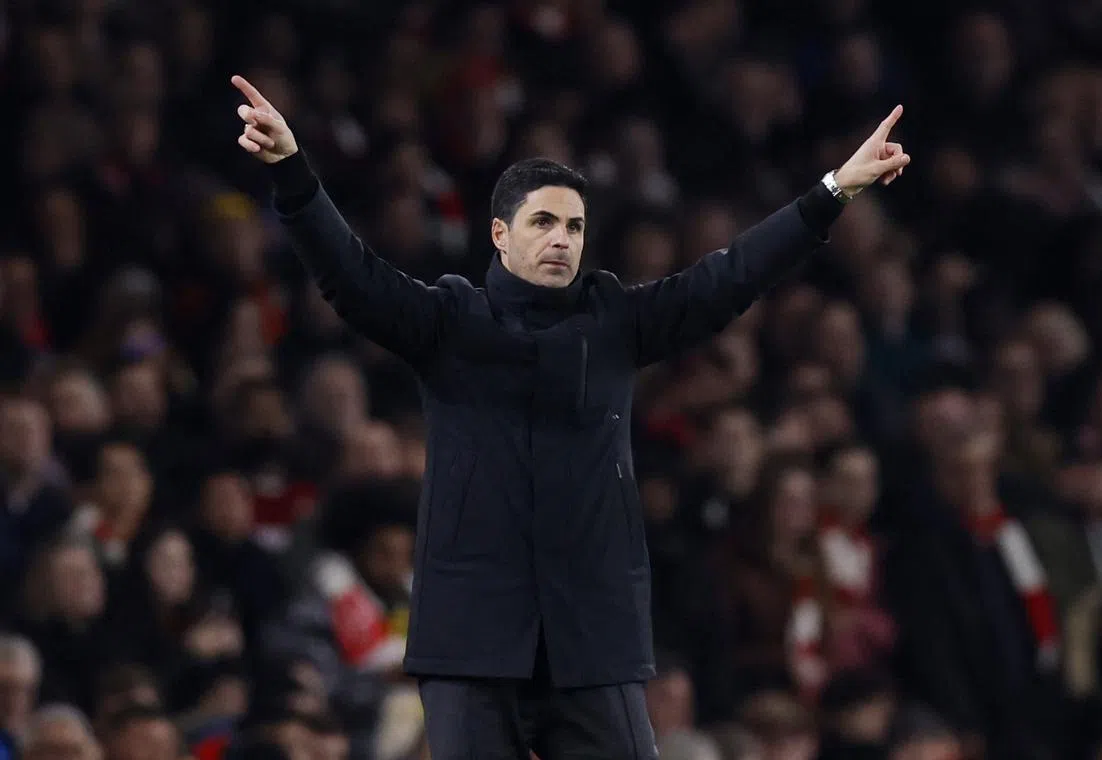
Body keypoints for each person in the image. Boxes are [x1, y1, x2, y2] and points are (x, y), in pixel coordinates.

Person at [231, 73, 910, 759]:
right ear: (500, 233)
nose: (562, 239)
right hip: (472, 642)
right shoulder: (448, 320)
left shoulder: (617, 320)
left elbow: (730, 276)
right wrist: (292, 170)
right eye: (544, 222)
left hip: (593, 642)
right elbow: (351, 276)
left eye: (575, 226)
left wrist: (833, 191)